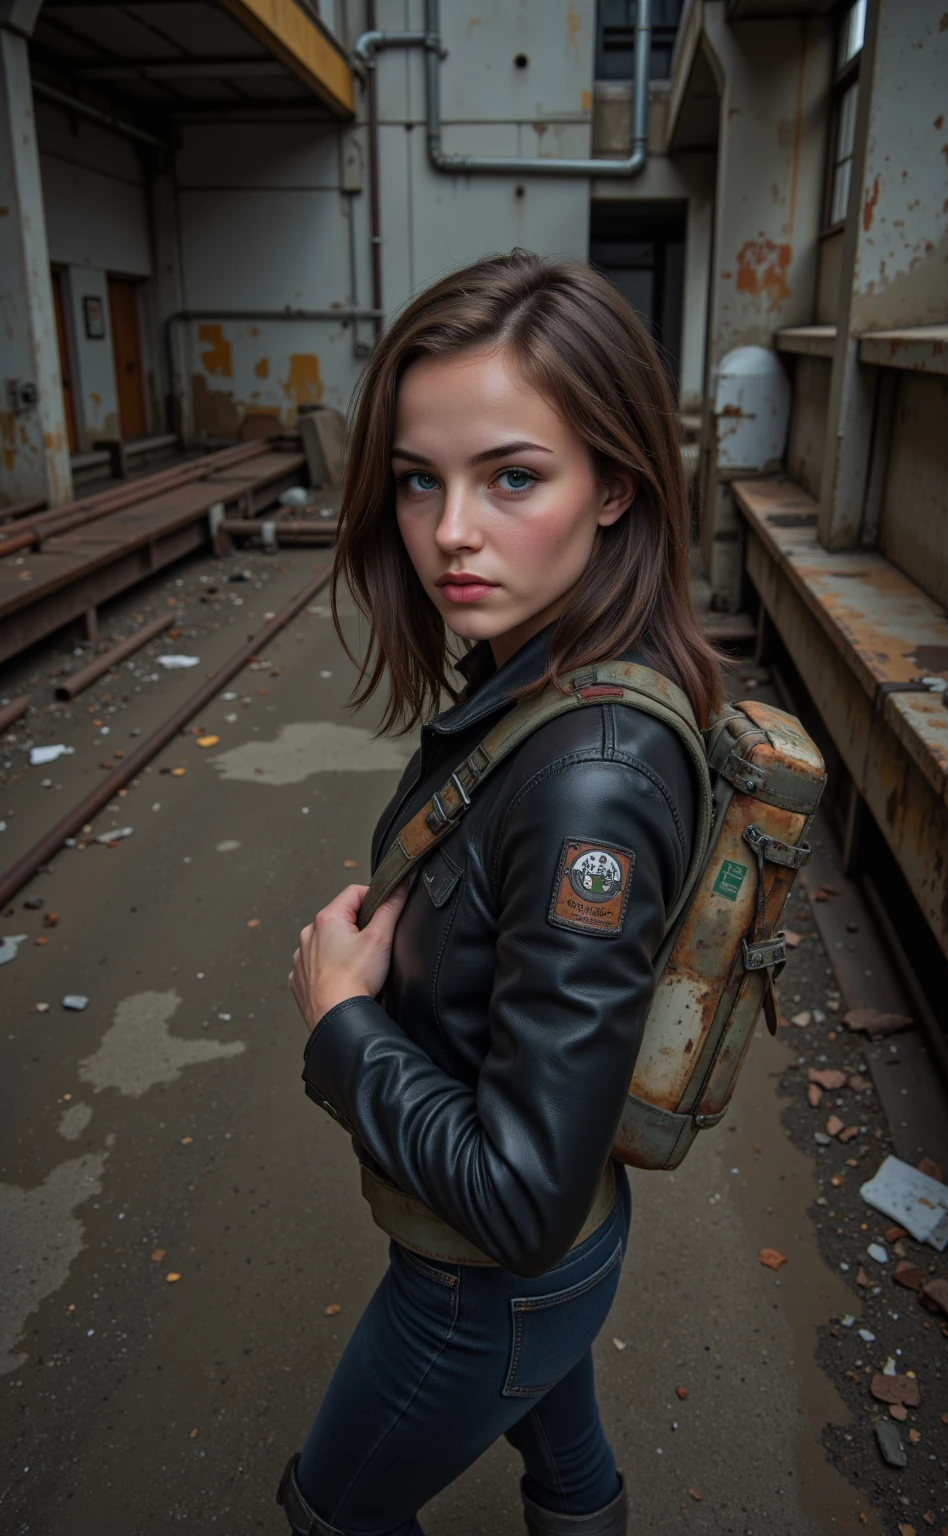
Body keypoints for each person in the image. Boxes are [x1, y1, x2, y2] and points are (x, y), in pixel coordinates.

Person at [281, 249, 722, 1536]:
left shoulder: (590, 777)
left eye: (512, 476)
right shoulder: (540, 670)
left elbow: (521, 1199)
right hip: (548, 1271)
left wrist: (340, 1022)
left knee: (332, 1515)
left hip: (480, 1285)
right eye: (419, 479)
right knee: (566, 1467)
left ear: (615, 488)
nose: (448, 532)